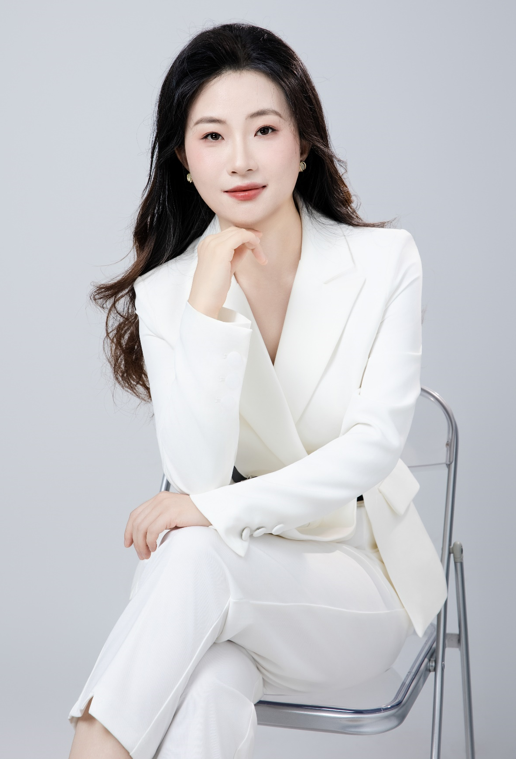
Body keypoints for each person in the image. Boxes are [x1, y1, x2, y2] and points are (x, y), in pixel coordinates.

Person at [67, 21, 447, 759]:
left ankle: (91, 745)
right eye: (212, 136)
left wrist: (211, 513)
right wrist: (205, 306)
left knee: (192, 555)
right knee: (209, 688)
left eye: (264, 129)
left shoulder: (383, 261)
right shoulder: (170, 293)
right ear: (184, 160)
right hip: (236, 585)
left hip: (358, 583)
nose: (240, 158)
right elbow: (198, 475)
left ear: (303, 145)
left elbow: (371, 450)